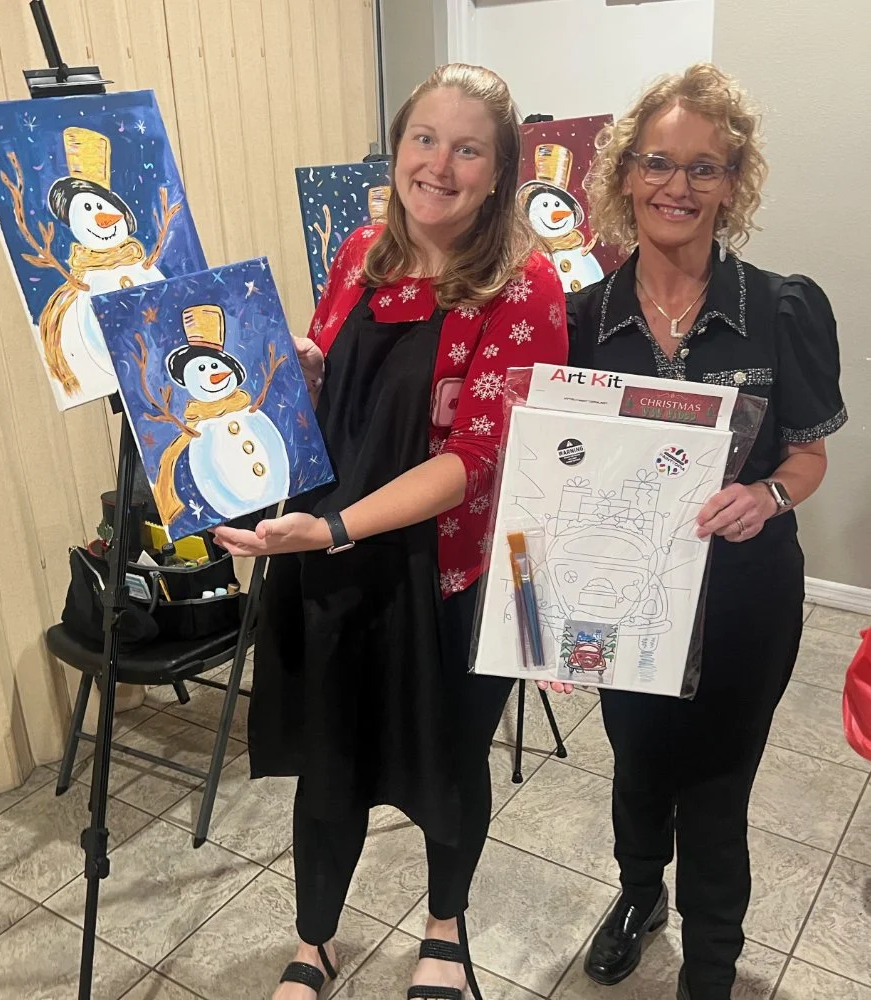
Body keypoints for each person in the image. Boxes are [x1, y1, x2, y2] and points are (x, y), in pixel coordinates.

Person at [211, 63, 568, 1000]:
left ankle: (444, 927)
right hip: (334, 562)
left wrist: (333, 529)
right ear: (397, 144)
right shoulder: (361, 250)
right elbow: (343, 392)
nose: (439, 165)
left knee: (448, 759)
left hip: (447, 575)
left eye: (467, 149)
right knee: (331, 756)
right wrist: (303, 372)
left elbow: (478, 457)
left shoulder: (522, 286)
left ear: (499, 171)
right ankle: (315, 939)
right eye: (423, 139)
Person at [554, 63, 846, 1000]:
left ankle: (711, 968)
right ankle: (640, 898)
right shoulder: (581, 318)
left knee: (717, 793)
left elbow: (808, 457)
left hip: (745, 602)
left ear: (734, 182)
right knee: (638, 764)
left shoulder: (782, 308)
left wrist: (771, 497)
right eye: (657, 163)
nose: (677, 187)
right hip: (622, 594)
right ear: (625, 176)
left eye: (704, 168)